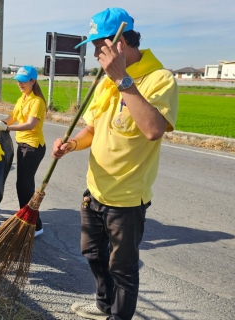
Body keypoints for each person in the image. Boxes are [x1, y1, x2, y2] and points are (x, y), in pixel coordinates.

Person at [52, 8, 178, 320]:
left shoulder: (158, 79)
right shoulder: (103, 82)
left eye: (99, 47)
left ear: (119, 43)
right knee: (93, 255)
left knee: (122, 270)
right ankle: (104, 306)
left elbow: (153, 129)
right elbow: (92, 129)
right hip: (94, 190)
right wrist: (71, 144)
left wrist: (122, 78)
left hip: (126, 199)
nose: (95, 55)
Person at [0, 66, 47, 237]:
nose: (20, 84)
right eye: (18, 80)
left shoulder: (37, 101)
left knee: (25, 186)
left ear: (33, 81)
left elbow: (30, 124)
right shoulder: (22, 98)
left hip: (32, 147)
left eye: (23, 81)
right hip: (23, 145)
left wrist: (8, 128)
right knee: (23, 185)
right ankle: (27, 219)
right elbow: (12, 117)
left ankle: (35, 225)